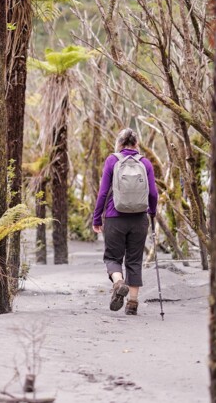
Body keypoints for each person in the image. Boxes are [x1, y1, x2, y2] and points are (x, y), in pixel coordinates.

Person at [92, 128, 158, 315]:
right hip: (139, 219)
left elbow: (103, 193)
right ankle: (133, 303)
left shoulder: (112, 160)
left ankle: (118, 282)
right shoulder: (145, 163)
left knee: (113, 257)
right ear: (136, 144)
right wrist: (151, 212)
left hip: (115, 217)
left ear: (119, 144)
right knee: (134, 261)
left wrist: (97, 218)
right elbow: (153, 193)